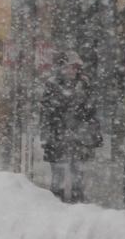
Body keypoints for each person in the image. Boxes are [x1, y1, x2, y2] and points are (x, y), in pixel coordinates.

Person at [40, 53, 102, 203]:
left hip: (79, 134)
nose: (73, 70)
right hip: (58, 134)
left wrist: (94, 131)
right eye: (70, 67)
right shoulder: (52, 84)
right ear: (62, 67)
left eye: (75, 67)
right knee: (58, 172)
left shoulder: (84, 83)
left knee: (78, 170)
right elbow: (46, 112)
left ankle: (77, 198)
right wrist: (49, 133)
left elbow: (91, 111)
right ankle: (56, 199)